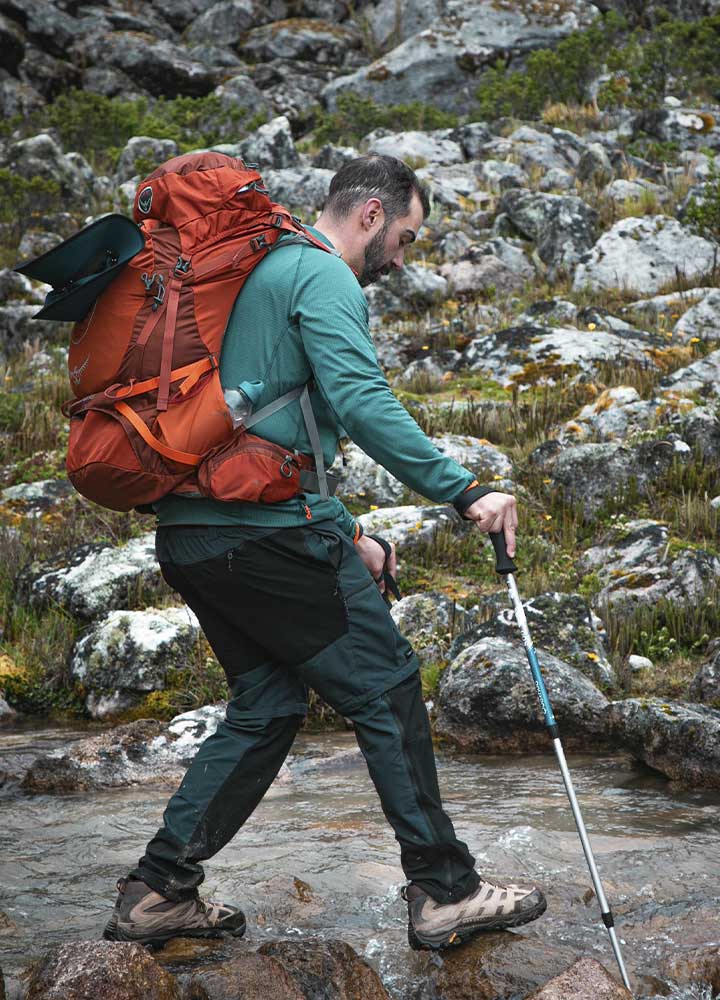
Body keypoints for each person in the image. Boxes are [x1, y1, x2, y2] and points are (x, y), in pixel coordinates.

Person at [103, 154, 546, 951]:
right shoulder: (320, 273)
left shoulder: (261, 272)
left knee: (268, 707)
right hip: (264, 540)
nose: (403, 258)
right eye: (405, 237)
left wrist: (349, 534)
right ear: (371, 215)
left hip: (194, 536)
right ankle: (446, 891)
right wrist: (465, 489)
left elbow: (266, 429)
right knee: (388, 685)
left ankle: (158, 892)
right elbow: (360, 400)